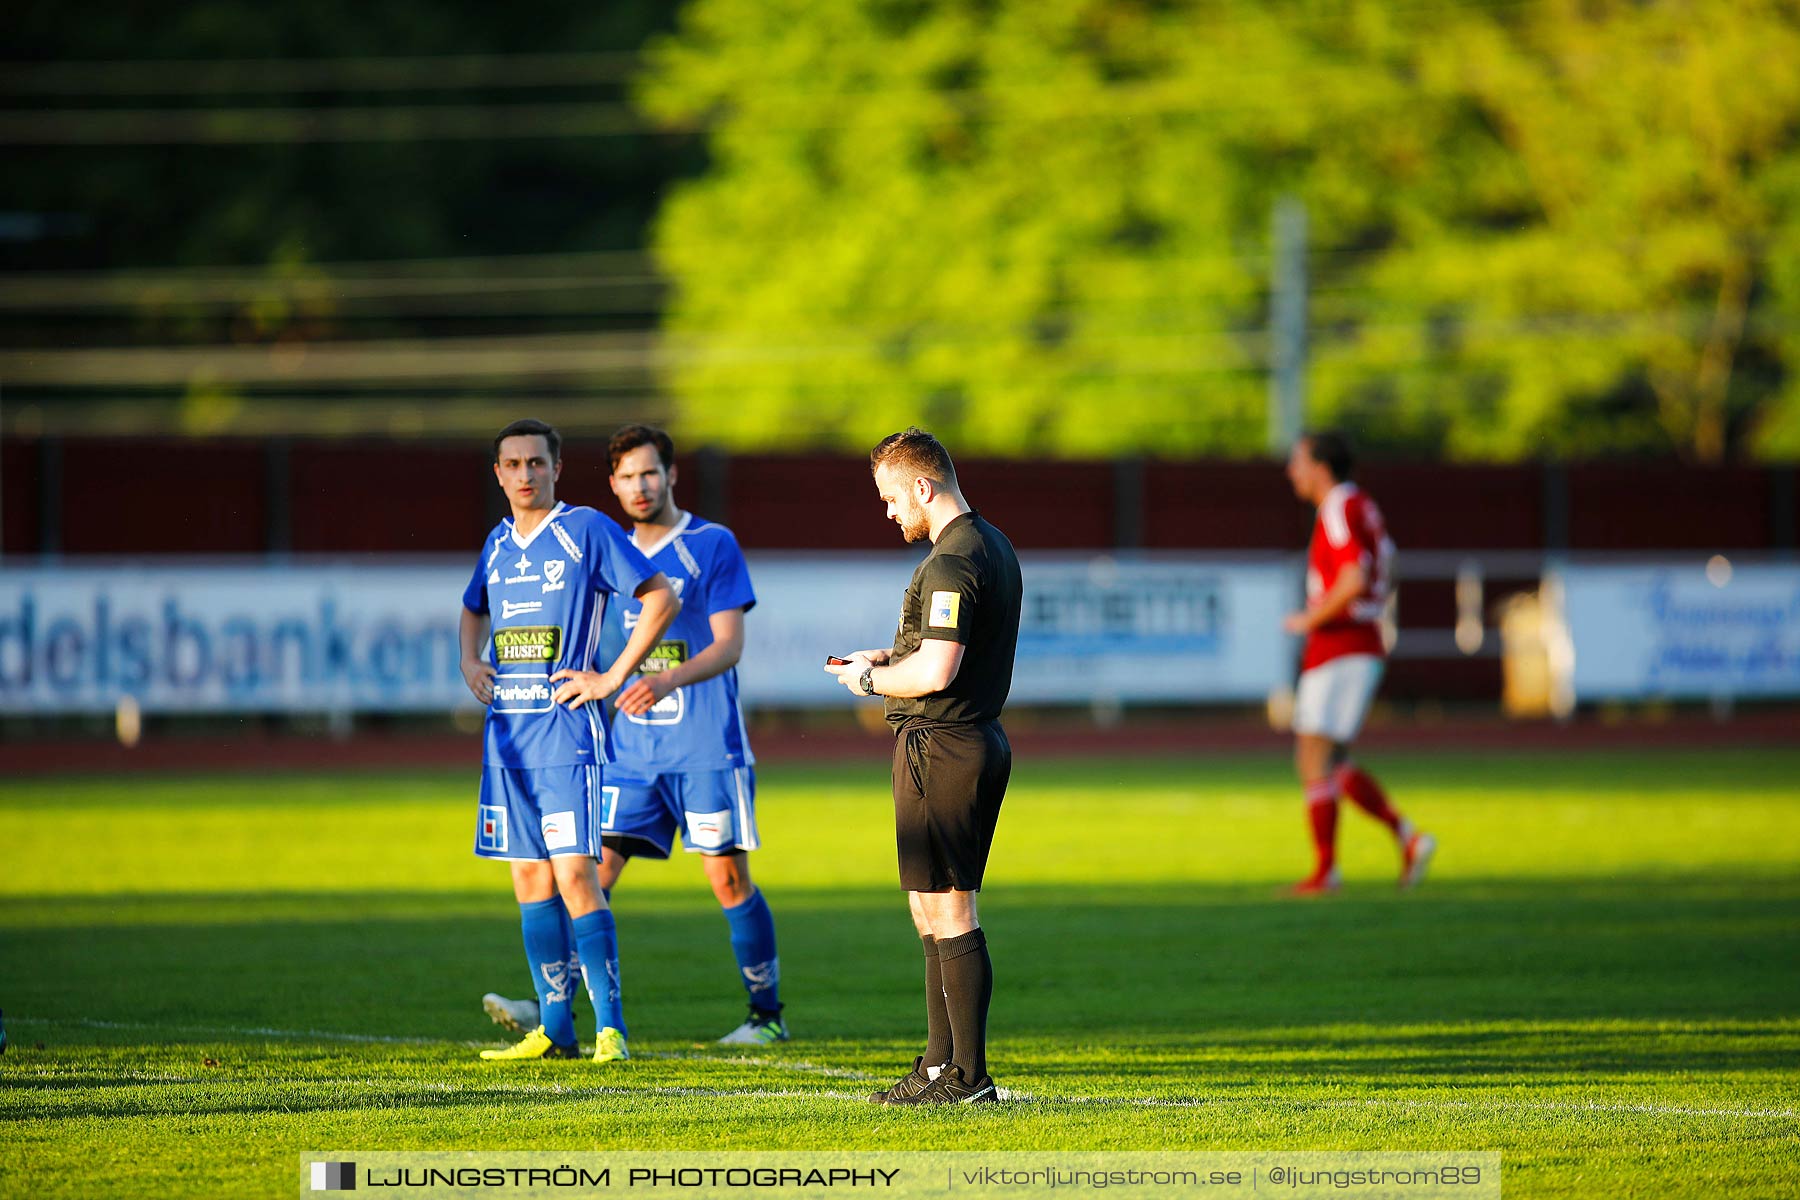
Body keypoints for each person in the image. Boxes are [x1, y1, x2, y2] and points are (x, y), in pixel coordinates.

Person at [481, 424, 788, 1046]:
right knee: (590, 878)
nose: (639, 486)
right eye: (625, 476)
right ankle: (554, 1001)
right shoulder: (602, 548)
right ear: (613, 485)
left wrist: (666, 678)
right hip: (628, 754)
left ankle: (766, 1015)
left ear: (671, 475)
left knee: (727, 878)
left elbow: (729, 646)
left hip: (704, 746)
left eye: (650, 473)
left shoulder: (712, 543)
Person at [459, 418, 679, 1062]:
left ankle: (611, 1029)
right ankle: (555, 1030)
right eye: (513, 464)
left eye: (536, 463)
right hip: (507, 742)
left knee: (576, 876)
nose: (525, 474)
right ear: (498, 473)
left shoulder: (585, 530)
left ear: (556, 469)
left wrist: (612, 676)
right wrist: (470, 663)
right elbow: (472, 606)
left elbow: (658, 597)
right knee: (528, 878)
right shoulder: (497, 545)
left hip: (564, 736)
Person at [825, 428, 1022, 1106]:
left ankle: (968, 1076)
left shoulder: (951, 561)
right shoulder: (990, 544)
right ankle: (940, 1066)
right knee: (928, 908)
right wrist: (881, 658)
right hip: (959, 741)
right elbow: (937, 646)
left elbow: (938, 670)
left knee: (950, 908)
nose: (889, 513)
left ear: (923, 486)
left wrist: (867, 685)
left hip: (945, 746)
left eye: (890, 499)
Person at [1281, 430, 1434, 895]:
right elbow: (1388, 566)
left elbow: (1353, 577)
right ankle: (1406, 838)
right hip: (1356, 642)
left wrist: (1312, 618)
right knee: (1330, 758)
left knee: (1313, 754)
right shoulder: (1361, 505)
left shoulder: (1337, 507)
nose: (1292, 471)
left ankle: (1328, 870)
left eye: (1298, 462)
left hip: (1342, 644)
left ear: (1321, 468)